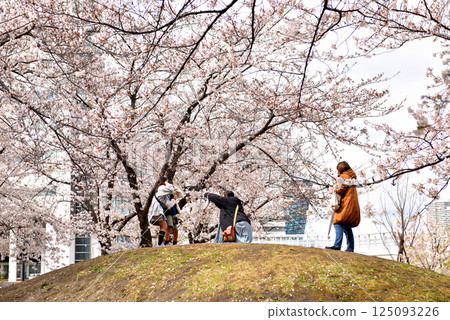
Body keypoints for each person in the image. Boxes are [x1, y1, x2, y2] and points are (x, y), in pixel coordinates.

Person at [326, 161, 361, 252]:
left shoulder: (344, 177)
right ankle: (350, 248)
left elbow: (339, 190)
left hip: (345, 204)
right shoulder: (351, 177)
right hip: (351, 205)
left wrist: (332, 188)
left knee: (337, 222)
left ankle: (337, 245)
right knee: (346, 226)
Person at [149, 177, 183, 246]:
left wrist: (174, 187)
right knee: (166, 227)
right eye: (167, 182)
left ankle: (160, 244)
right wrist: (168, 185)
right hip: (159, 211)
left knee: (165, 227)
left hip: (161, 211)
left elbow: (179, 193)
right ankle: (161, 243)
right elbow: (170, 190)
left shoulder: (164, 193)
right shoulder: (161, 188)